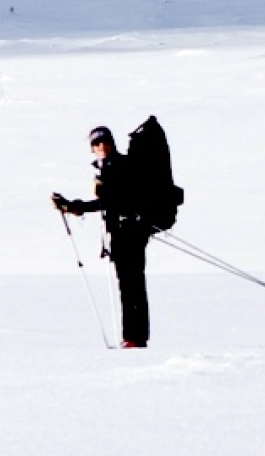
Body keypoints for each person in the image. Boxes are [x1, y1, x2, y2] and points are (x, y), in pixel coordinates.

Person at [55, 113, 180, 349]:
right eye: (96, 144)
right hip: (123, 231)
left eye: (104, 142)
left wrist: (77, 207)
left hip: (130, 230)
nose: (101, 147)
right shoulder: (108, 168)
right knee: (129, 284)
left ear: (112, 143)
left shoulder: (119, 167)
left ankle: (134, 337)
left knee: (131, 284)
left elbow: (112, 202)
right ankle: (132, 336)